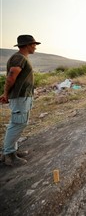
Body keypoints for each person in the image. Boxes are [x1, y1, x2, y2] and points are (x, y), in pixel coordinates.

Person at [0, 35, 41, 166]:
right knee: (17, 123)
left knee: (19, 123)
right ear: (27, 45)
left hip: (23, 96)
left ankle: (12, 151)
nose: (35, 47)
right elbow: (11, 77)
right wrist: (6, 93)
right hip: (19, 96)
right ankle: (9, 155)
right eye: (34, 44)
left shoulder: (22, 58)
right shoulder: (19, 58)